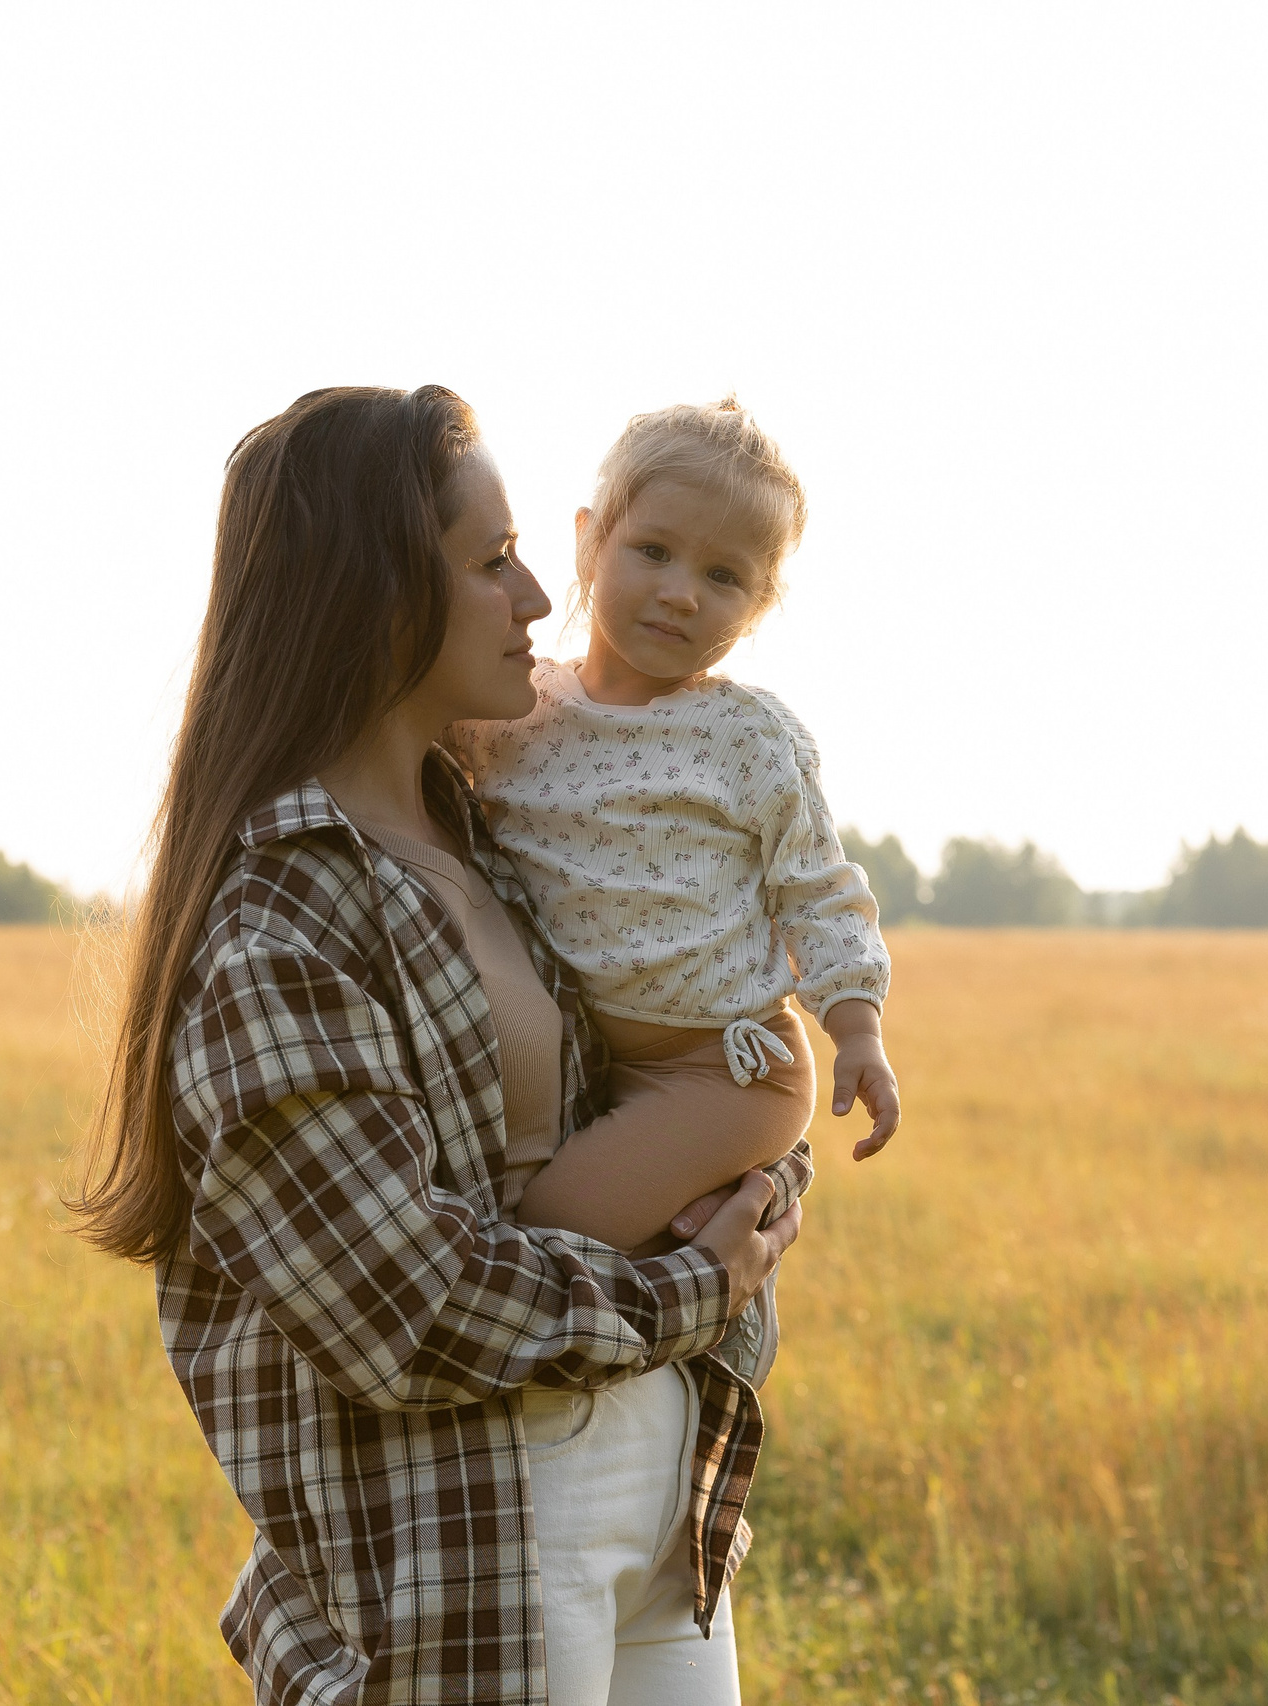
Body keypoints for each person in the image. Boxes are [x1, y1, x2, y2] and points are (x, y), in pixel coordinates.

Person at [71, 384, 805, 1706]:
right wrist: (692, 1289)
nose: (540, 596)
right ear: (376, 594)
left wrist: (762, 1165)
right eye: (490, 561)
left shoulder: (487, 841)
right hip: (486, 1530)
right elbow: (402, 1308)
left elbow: (664, 1081)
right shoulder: (278, 922)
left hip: (660, 1502)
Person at [454, 398, 902, 1389]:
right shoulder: (515, 715)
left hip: (721, 1070)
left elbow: (818, 892)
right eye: (653, 550)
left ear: (759, 603)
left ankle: (679, 1381)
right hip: (594, 1059)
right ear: (587, 541)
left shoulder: (744, 737)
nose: (679, 593)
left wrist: (856, 1027)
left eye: (723, 575)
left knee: (542, 1229)